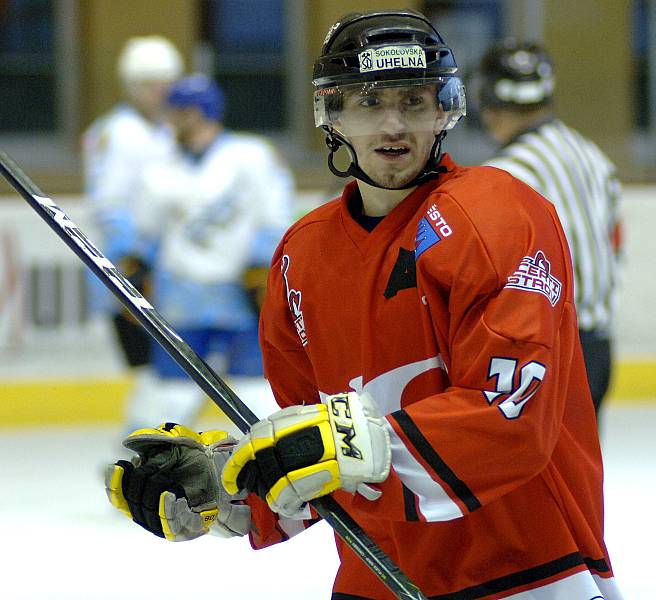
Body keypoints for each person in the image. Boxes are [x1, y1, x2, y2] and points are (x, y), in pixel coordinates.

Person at [104, 10, 623, 600]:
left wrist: (340, 447)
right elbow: (314, 450)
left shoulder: (500, 214)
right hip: (374, 577)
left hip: (526, 573)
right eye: (369, 101)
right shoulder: (301, 256)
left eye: (413, 100)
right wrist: (231, 485)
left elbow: (511, 415)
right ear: (333, 113)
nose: (393, 124)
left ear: (444, 109)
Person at [128, 73, 294, 429]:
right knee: (169, 395)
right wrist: (138, 269)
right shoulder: (159, 169)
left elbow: (275, 217)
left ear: (198, 112)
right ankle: (149, 464)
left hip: (241, 297)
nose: (171, 118)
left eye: (178, 111)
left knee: (256, 391)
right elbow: (147, 234)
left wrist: (261, 267)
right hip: (181, 297)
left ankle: (273, 462)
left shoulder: (252, 157)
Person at [474, 40, 623, 416]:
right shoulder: (591, 154)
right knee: (581, 472)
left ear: (489, 106)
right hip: (600, 345)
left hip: (549, 349)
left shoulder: (507, 173)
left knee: (538, 472)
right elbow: (614, 244)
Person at [82, 36, 183, 434]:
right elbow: (109, 204)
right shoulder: (114, 133)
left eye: (164, 82)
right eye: (149, 83)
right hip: (135, 263)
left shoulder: (172, 130)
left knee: (172, 360)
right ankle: (145, 435)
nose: (159, 92)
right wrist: (131, 259)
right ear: (131, 86)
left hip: (174, 265)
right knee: (146, 361)